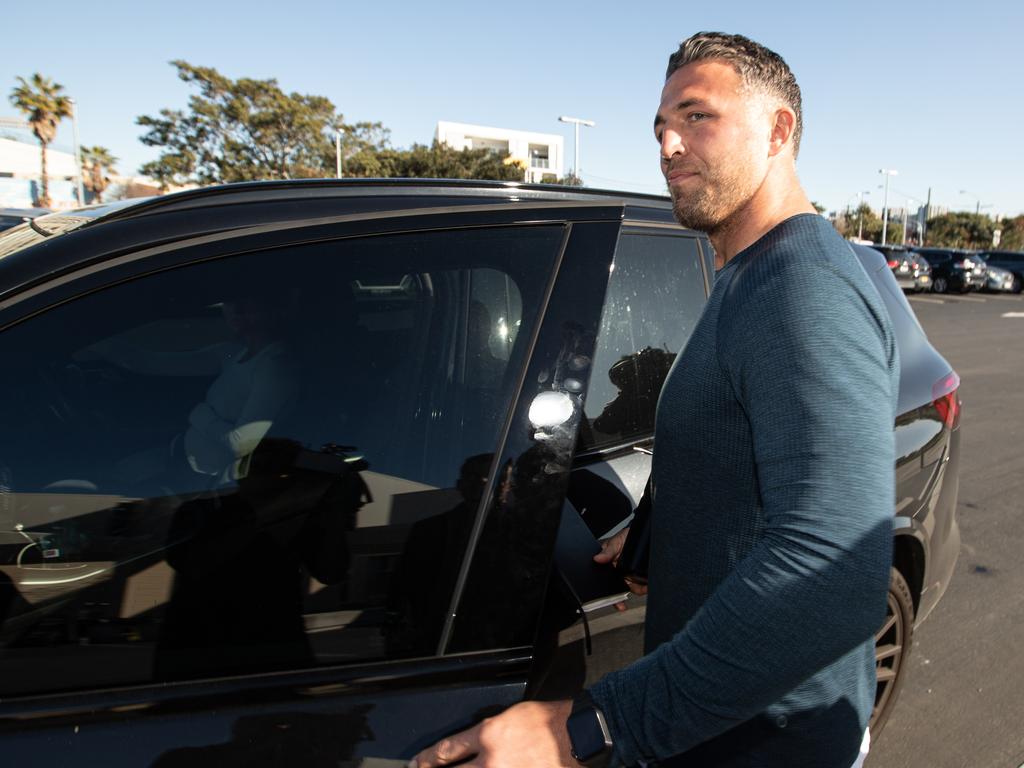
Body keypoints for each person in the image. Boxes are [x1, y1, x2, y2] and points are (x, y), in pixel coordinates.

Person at [413, 31, 897, 768]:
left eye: (697, 117)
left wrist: (590, 727)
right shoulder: (745, 273)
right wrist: (662, 525)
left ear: (777, 129)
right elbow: (741, 438)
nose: (669, 143)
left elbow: (835, 567)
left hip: (767, 744)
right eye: (660, 127)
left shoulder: (802, 291)